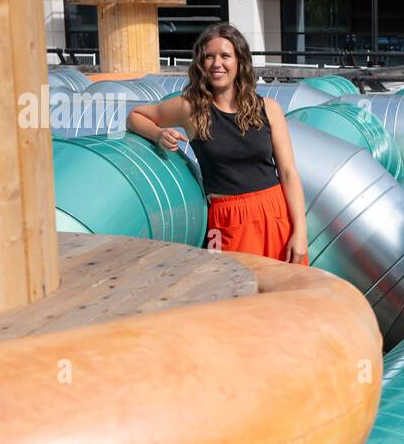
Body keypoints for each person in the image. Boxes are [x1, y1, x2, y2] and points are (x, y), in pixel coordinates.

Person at [126, 23, 308, 264]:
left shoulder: (269, 109)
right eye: (209, 57)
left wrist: (301, 232)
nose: (216, 64)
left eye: (225, 56)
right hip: (224, 218)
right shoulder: (190, 108)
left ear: (240, 61)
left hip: (275, 214)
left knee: (285, 297)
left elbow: (288, 173)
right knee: (228, 291)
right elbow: (135, 117)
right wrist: (158, 134)